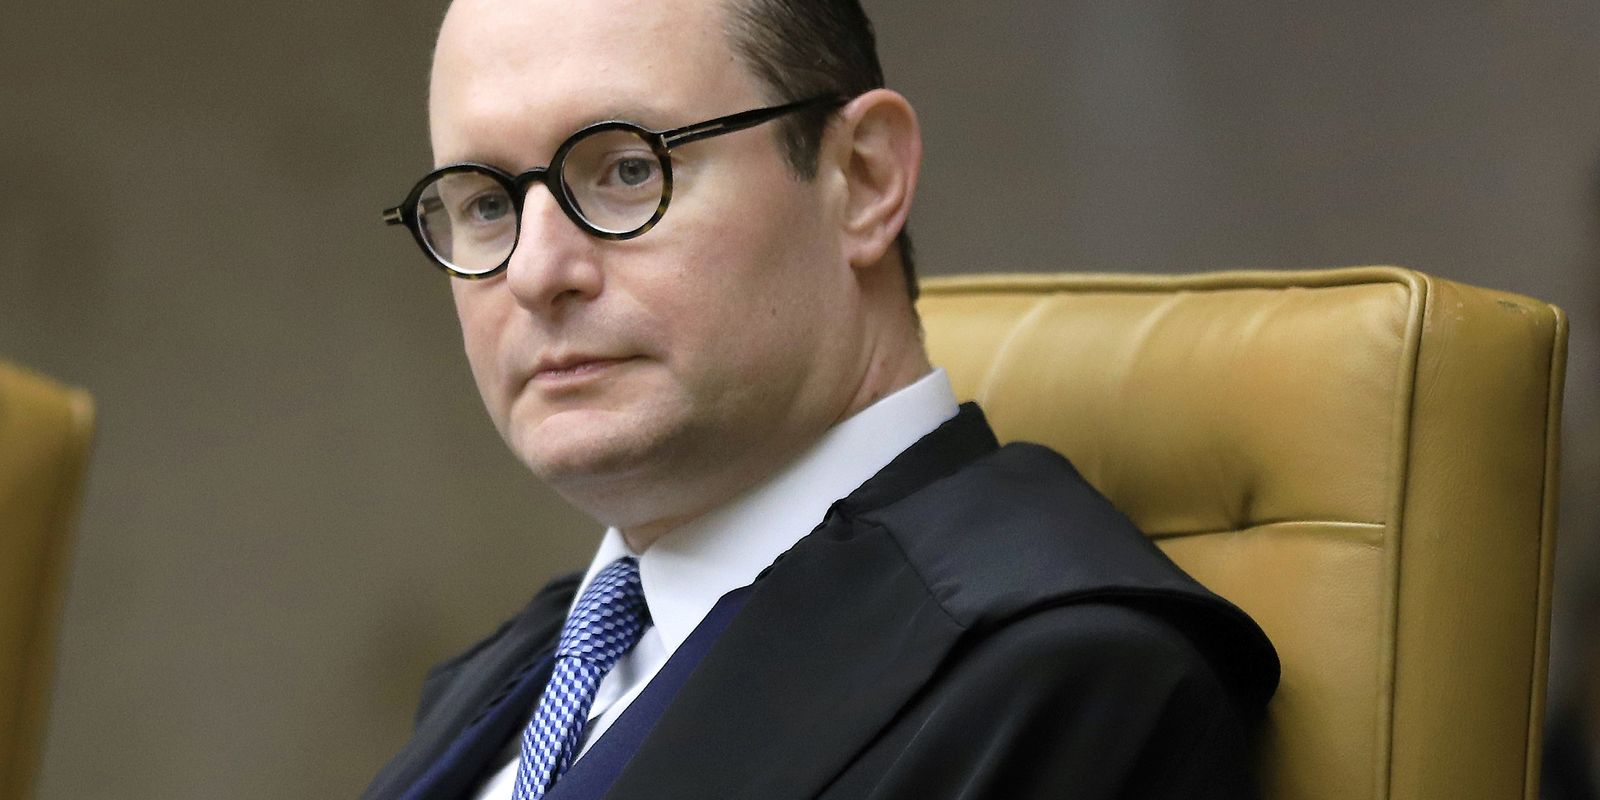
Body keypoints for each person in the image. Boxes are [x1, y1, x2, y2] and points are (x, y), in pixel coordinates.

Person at [365, 0, 1279, 798]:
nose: (534, 273)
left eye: (628, 170)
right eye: (486, 205)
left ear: (863, 179)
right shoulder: (511, 676)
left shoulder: (1068, 677)